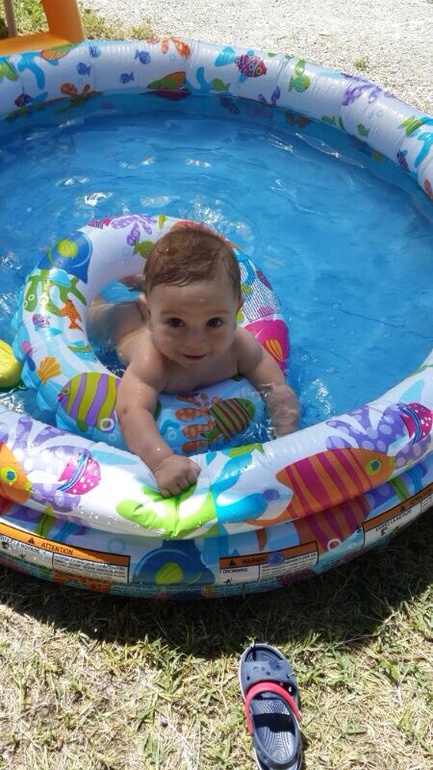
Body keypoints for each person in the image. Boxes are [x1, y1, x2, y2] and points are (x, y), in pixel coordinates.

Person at [88, 225, 299, 497]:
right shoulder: (152, 361)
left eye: (214, 322)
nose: (195, 342)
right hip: (126, 327)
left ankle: (149, 288)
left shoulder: (240, 346)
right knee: (97, 316)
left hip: (160, 307)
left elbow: (277, 389)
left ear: (236, 310)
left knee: (181, 298)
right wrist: (162, 461)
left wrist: (286, 434)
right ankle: (115, 289)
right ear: (151, 316)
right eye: (176, 323)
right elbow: (131, 410)